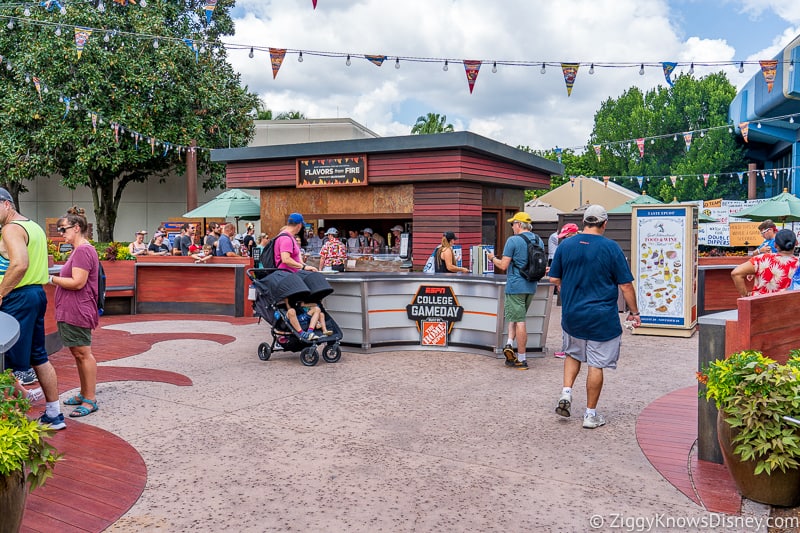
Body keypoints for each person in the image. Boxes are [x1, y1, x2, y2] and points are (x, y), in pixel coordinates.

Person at [548, 205, 641, 429]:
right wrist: (634, 312)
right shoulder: (611, 248)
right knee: (596, 364)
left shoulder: (565, 245)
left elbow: (554, 279)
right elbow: (625, 285)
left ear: (584, 222)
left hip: (572, 315)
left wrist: (567, 290)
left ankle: (566, 393)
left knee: (572, 353)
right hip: (601, 317)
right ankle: (590, 415)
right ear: (604, 223)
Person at [0, 187, 65, 429]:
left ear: (7, 204)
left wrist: (0, 292)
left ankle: (14, 424)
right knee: (39, 356)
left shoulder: (11, 228)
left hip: (18, 297)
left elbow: (19, 264)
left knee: (7, 362)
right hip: (35, 295)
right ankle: (54, 413)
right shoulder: (33, 226)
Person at [51, 207, 100, 418]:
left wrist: (50, 278)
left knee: (83, 354)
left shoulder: (83, 250)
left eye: (63, 229)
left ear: (77, 227)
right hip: (73, 310)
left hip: (78, 310)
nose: (61, 234)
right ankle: (84, 393)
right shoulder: (79, 249)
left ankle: (90, 399)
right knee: (78, 353)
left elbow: (77, 282)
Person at [487, 212, 544, 370]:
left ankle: (522, 359)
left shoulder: (513, 240)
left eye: (513, 224)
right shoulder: (538, 240)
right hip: (531, 286)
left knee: (520, 321)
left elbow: (503, 266)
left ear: (519, 224)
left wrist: (492, 258)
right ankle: (509, 345)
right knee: (515, 315)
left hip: (515, 286)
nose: (512, 227)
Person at [732, 228, 799, 297]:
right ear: (796, 243)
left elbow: (736, 273)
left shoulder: (762, 259)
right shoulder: (798, 264)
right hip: (790, 305)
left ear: (775, 245)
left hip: (760, 305)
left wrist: (745, 296)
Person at [551, 222, 581, 359]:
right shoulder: (585, 245)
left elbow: (555, 277)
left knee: (567, 319)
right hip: (582, 288)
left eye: (566, 236)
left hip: (568, 288)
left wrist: (558, 279)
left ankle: (567, 349)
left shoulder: (565, 248)